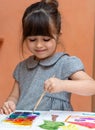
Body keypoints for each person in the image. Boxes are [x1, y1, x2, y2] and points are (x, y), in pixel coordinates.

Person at [0, 0, 95, 115]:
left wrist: (63, 85)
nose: (39, 45)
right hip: (24, 124)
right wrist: (10, 103)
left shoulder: (64, 63)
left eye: (46, 39)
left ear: (58, 35)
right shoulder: (22, 67)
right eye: (32, 40)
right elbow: (14, 97)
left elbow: (91, 87)